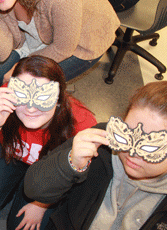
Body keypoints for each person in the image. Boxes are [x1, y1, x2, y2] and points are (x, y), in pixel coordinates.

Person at [0, 55, 97, 230]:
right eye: (22, 95)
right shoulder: (3, 101)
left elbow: (76, 179)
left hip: (50, 172)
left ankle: (24, 190)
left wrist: (41, 204)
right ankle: (14, 187)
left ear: (58, 99)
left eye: (43, 97)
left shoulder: (81, 122)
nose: (31, 108)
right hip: (12, 156)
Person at [24, 81, 167, 229]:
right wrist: (70, 164)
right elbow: (33, 187)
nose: (133, 153)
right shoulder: (102, 141)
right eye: (127, 135)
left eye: (150, 147)